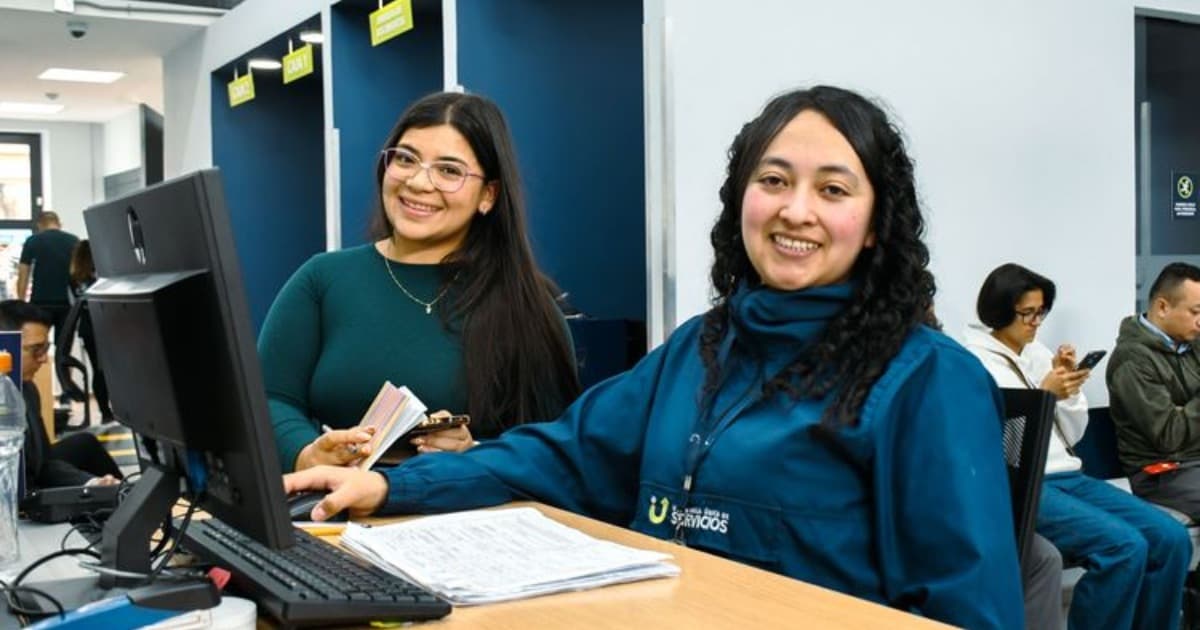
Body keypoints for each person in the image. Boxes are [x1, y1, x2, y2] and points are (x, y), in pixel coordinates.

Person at [285, 86, 1024, 628]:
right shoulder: (699, 349)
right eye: (772, 181)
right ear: (742, 201)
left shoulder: (928, 379)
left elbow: (970, 609)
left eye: (832, 189)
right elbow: (562, 454)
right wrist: (393, 488)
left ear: (873, 227)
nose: (796, 209)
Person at [260, 92, 581, 473]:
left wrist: (475, 451)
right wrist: (306, 453)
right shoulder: (322, 279)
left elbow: (557, 452)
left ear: (488, 195)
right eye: (406, 159)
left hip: (461, 523)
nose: (417, 182)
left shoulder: (527, 308)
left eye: (449, 171)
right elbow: (267, 399)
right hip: (331, 518)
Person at [964, 263, 1190, 630]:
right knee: (1124, 547)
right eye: (1027, 313)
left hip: (1070, 475)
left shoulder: (1038, 353)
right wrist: (1043, 397)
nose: (1036, 322)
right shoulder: (974, 362)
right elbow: (999, 446)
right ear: (1000, 310)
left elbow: (1072, 435)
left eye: (1042, 312)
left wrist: (1067, 393)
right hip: (1025, 484)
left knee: (1171, 538)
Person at [1108, 261, 1200, 518]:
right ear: (1162, 307)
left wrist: (1185, 411)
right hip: (1162, 473)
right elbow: (1169, 434)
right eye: (1195, 312)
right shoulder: (1132, 360)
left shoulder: (1191, 344)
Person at [0, 300, 120, 489]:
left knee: (84, 444)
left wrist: (91, 483)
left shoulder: (28, 389)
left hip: (30, 476)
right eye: (36, 350)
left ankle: (125, 498)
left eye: (45, 349)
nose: (43, 359)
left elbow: (44, 463)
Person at [67, 240, 114, 422]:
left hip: (87, 328)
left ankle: (105, 412)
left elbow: (73, 305)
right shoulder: (102, 275)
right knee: (112, 370)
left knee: (97, 369)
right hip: (107, 326)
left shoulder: (74, 278)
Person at [16, 211, 79, 339]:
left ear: (40, 225)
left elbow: (23, 274)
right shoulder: (73, 241)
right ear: (59, 224)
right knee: (63, 346)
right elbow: (78, 273)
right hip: (66, 304)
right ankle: (60, 359)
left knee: (37, 343)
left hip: (39, 304)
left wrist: (21, 303)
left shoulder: (32, 241)